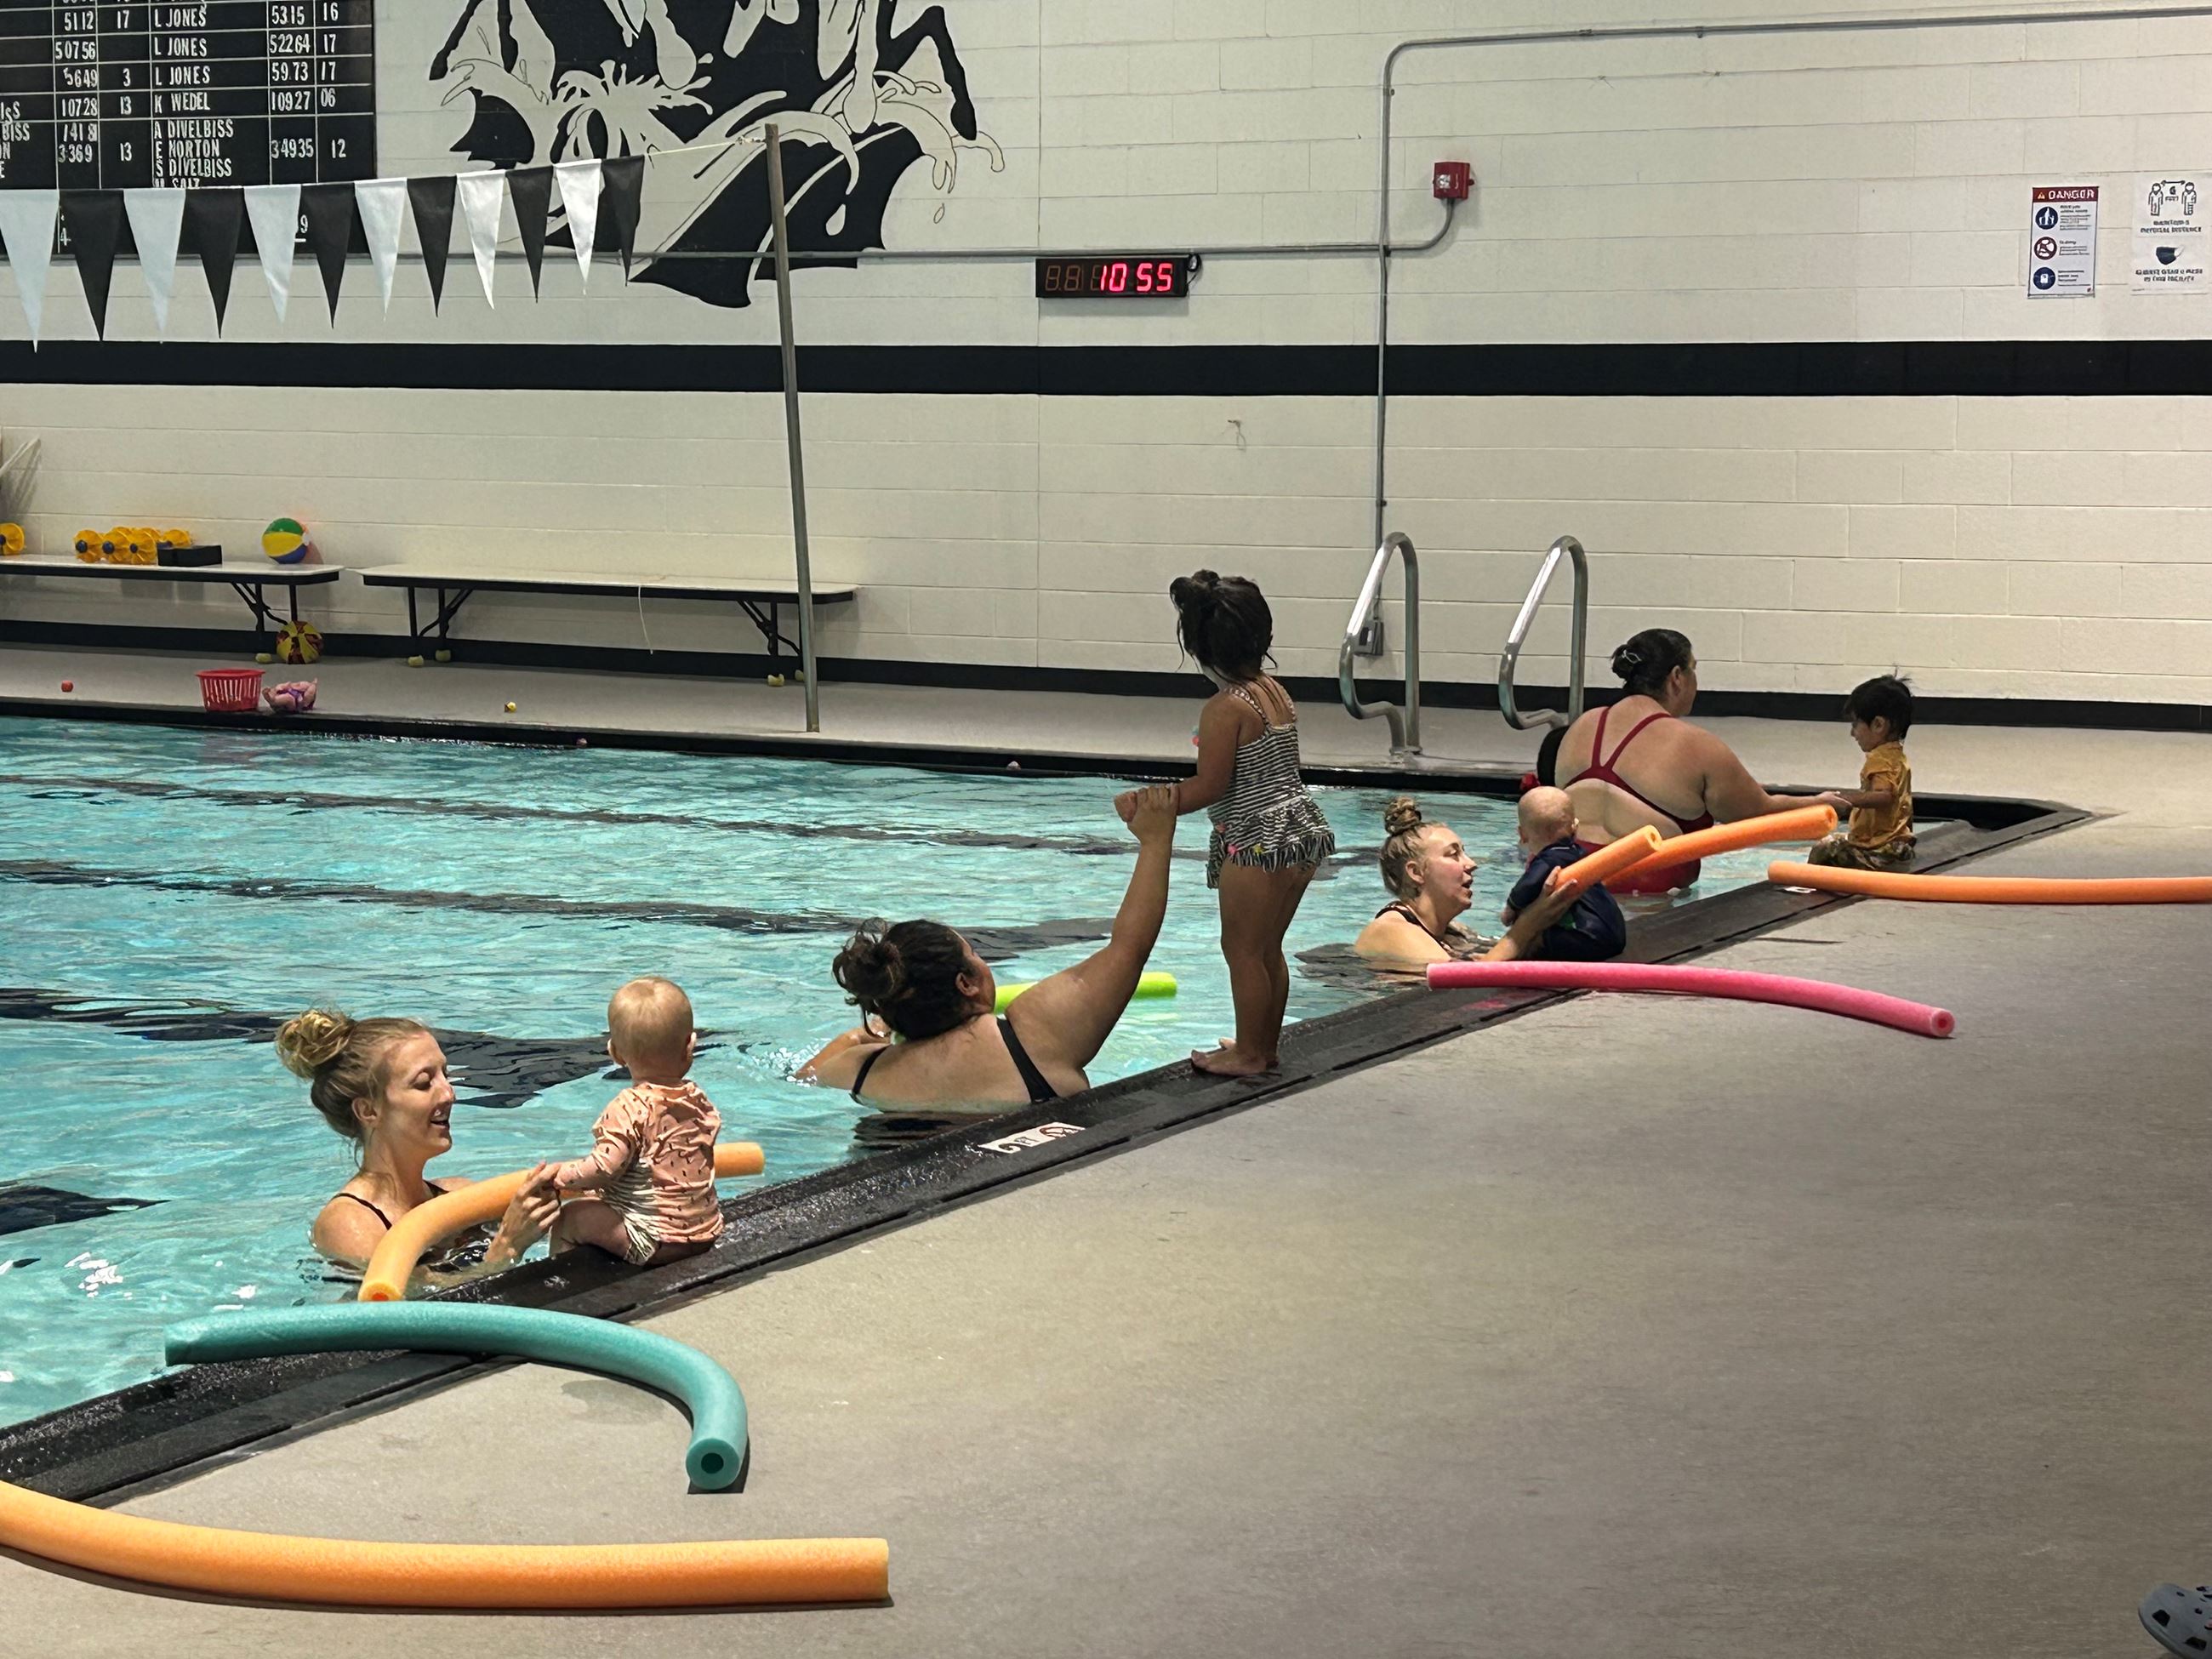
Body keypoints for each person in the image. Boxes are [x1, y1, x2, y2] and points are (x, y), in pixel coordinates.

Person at [800, 784, 1179, 1107]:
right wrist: (1156, 839)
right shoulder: (1038, 1035)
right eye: (975, 954)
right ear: (966, 983)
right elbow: (1130, 947)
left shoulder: (859, 1070)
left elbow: (804, 1078)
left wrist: (853, 1038)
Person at [1116, 570, 1337, 1077]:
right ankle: (1262, 1042)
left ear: (1196, 647)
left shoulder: (1224, 708)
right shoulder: (1272, 690)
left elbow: (1210, 787)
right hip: (1297, 829)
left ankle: (1250, 1055)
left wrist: (1151, 804)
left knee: (1239, 949)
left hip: (1256, 840)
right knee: (1267, 948)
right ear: (1264, 636)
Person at [278, 1010, 558, 1287]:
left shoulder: (458, 1194)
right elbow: (408, 1313)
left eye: (445, 1075)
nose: (449, 1093)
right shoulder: (351, 1223)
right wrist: (506, 1248)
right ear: (368, 1110)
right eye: (424, 1083)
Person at [1558, 628, 1846, 895]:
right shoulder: (1696, 745)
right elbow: (1758, 814)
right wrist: (1818, 803)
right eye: (1693, 670)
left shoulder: (1581, 726)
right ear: (1677, 678)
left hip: (1565, 880)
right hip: (1648, 893)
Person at [547, 978, 723, 1268]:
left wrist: (561, 1176)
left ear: (615, 1053)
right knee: (599, 1197)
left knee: (571, 1218)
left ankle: (562, 1284)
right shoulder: (697, 1099)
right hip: (705, 1232)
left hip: (657, 1241)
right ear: (690, 1045)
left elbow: (604, 1167)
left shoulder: (628, 1107)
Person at [1354, 796, 1591, 966]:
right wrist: (1528, 923)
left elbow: (1505, 955)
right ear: (1416, 873)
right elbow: (1471, 980)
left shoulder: (1455, 933)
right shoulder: (1391, 931)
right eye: (1453, 854)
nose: (1471, 863)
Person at [1500, 787, 1628, 961]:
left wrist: (1511, 907)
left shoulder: (1549, 860)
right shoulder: (1578, 854)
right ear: (1575, 828)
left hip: (1588, 938)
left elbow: (1529, 885)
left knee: (1534, 941)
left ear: (1522, 834)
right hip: (1614, 934)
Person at [1807, 675, 1916, 872]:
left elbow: (1885, 796)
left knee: (1823, 848)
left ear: (1878, 725)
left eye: (1855, 724)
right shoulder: (1897, 757)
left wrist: (1849, 801)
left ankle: (1809, 886)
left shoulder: (1880, 760)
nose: (1852, 733)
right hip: (1898, 847)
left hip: (1878, 851)